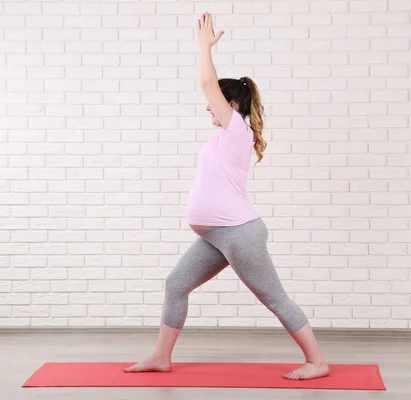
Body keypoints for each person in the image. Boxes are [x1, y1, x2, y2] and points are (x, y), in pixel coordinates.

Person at [124, 13, 329, 380]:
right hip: (215, 235)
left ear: (230, 105)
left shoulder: (237, 131)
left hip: (238, 233)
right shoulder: (223, 137)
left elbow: (206, 83)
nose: (207, 106)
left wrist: (203, 47)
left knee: (273, 298)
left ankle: (317, 362)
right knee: (176, 284)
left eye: (215, 101)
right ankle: (160, 356)